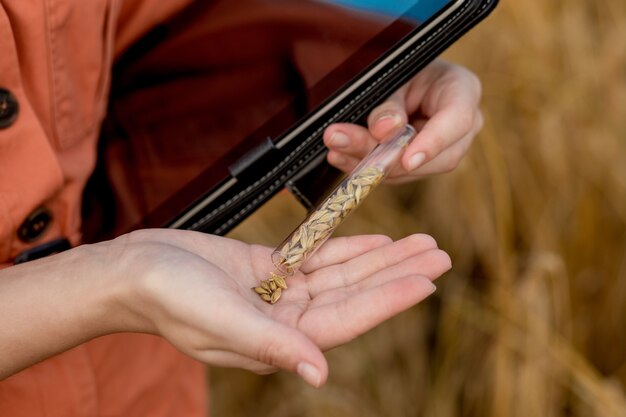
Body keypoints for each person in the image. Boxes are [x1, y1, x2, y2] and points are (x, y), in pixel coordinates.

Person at [0, 0, 483, 416]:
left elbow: (172, 35)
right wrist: (104, 288)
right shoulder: (139, 280)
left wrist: (377, 63)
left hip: (140, 378)